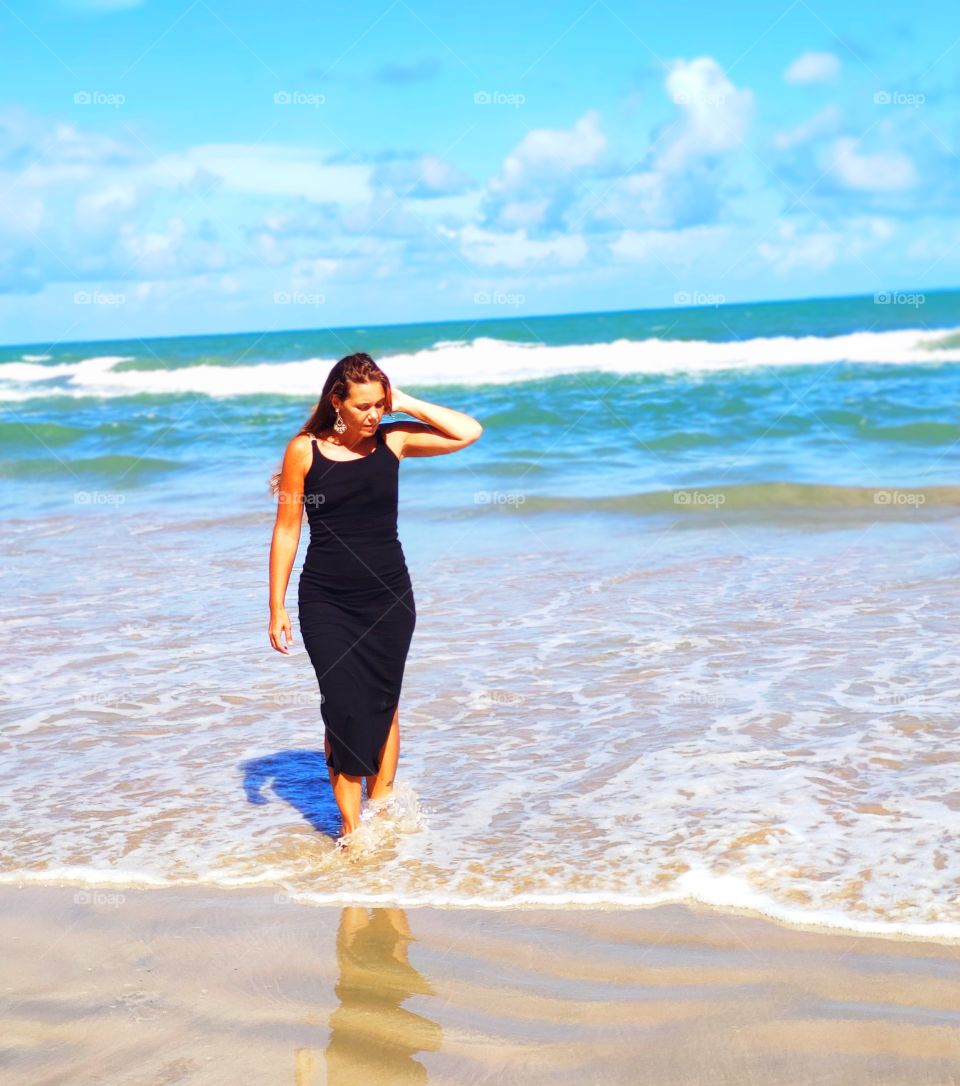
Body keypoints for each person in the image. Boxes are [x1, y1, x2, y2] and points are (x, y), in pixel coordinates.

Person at [267, 352, 483, 847]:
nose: (373, 415)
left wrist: (403, 401)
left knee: (382, 704)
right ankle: (352, 831)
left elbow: (467, 432)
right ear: (336, 402)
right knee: (342, 705)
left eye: (379, 404)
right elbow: (286, 530)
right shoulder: (304, 451)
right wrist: (276, 605)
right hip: (326, 598)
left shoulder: (395, 439)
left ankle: (380, 810)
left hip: (388, 597)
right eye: (363, 406)